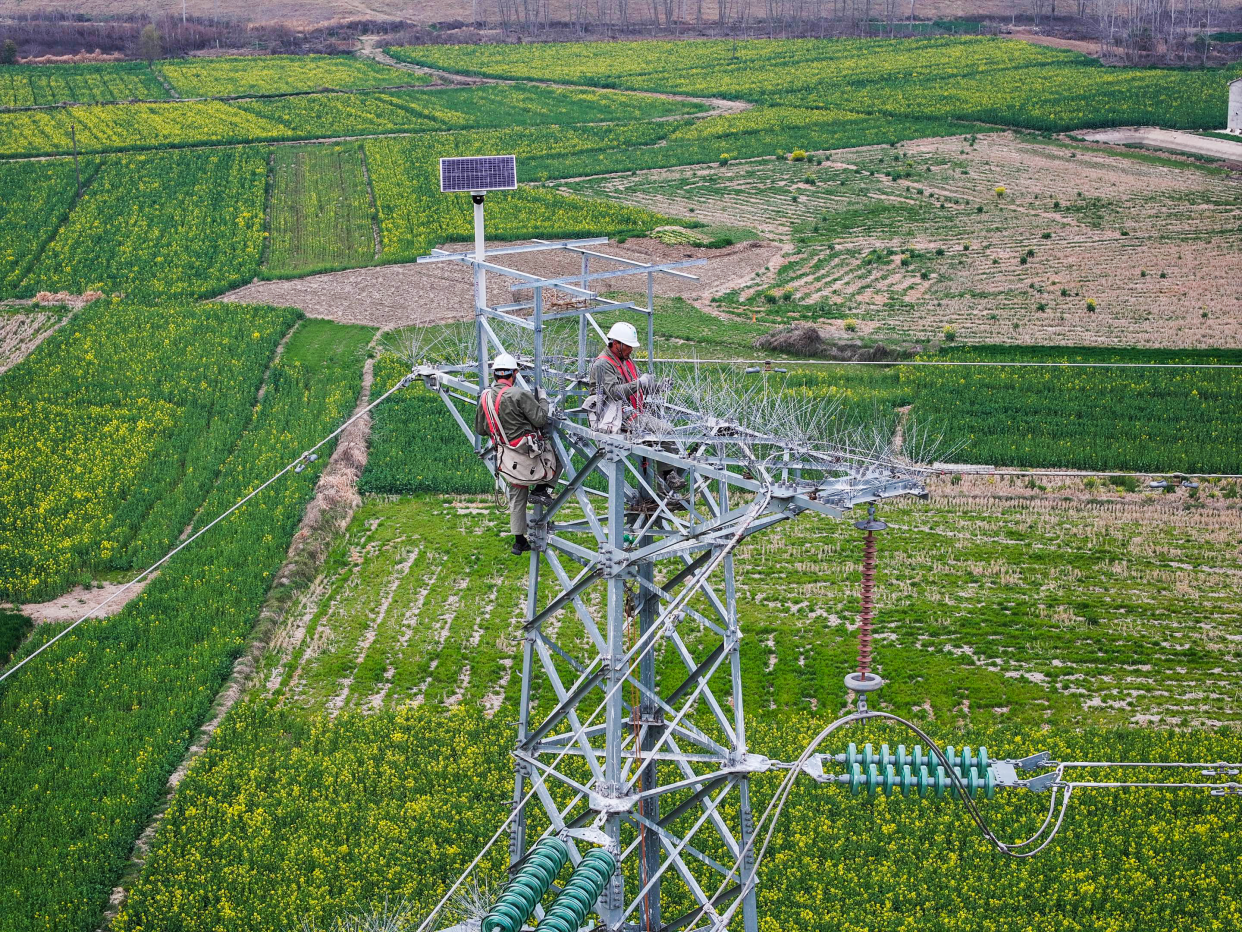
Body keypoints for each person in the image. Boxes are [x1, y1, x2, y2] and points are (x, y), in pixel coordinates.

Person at [474, 353, 560, 555]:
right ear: (514, 374)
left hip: (506, 457)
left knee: (517, 495)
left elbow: (480, 428)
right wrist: (543, 400)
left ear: (495, 375)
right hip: (528, 455)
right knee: (557, 458)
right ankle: (542, 489)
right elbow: (540, 419)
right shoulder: (519, 395)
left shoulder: (485, 397)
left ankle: (519, 540)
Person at [589, 321, 686, 496]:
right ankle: (667, 475)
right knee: (666, 430)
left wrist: (657, 387)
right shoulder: (603, 364)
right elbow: (613, 394)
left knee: (665, 432)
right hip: (616, 414)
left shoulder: (624, 360)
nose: (631, 350)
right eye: (628, 346)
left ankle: (665, 486)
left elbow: (637, 388)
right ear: (616, 344)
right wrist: (639, 382)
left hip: (629, 410)